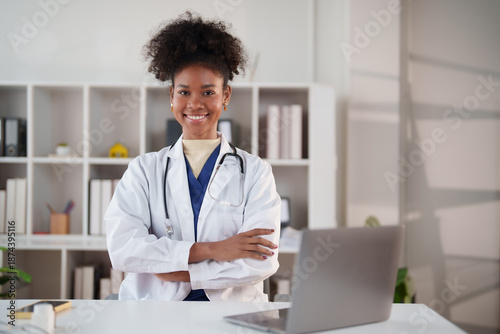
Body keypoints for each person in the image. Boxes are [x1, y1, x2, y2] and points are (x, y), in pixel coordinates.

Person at [105, 12, 281, 302]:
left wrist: (172, 268)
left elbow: (260, 261)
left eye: (208, 92)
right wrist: (216, 249)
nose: (195, 104)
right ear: (172, 96)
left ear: (225, 96)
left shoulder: (255, 172)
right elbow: (124, 249)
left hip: (231, 317)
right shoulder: (143, 170)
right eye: (184, 92)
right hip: (156, 317)